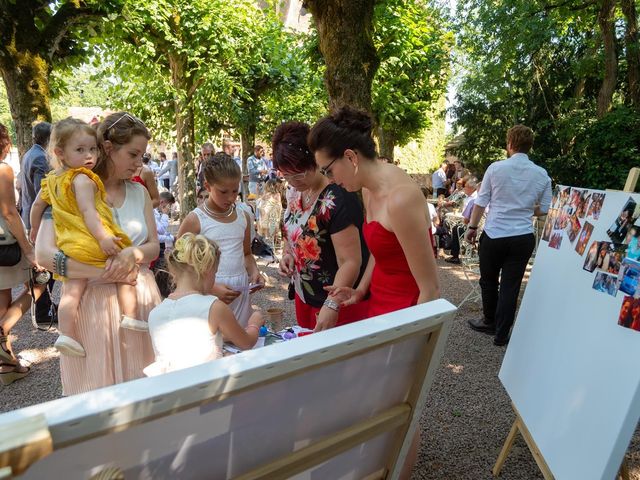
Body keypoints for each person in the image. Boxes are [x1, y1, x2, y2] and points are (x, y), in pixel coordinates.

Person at [308, 106, 440, 480]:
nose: (328, 179)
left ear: (350, 157)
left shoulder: (400, 198)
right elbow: (379, 252)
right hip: (380, 303)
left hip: (405, 311)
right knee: (373, 404)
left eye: (327, 169)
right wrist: (359, 290)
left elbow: (430, 288)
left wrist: (411, 344)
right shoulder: (365, 187)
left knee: (399, 409)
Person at [35, 111, 161, 395]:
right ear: (108, 148)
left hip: (138, 300)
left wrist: (133, 255)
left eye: (142, 156)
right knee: (96, 394)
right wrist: (106, 273)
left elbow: (154, 244)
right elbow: (44, 255)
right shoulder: (69, 188)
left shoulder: (139, 193)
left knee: (144, 393)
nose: (139, 163)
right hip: (91, 304)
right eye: (133, 154)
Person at [273, 121, 369, 331]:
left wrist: (331, 304)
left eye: (299, 173)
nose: (293, 181)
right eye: (286, 175)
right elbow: (292, 234)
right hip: (304, 296)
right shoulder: (294, 193)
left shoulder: (338, 197)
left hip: (338, 302)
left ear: (315, 161)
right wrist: (288, 255)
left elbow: (351, 261)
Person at [465, 125, 551, 346]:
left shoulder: (495, 169)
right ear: (529, 146)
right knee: (511, 286)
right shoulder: (542, 174)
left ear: (510, 144)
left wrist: (472, 228)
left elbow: (481, 202)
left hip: (495, 234)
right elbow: (544, 208)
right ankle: (502, 334)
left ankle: (489, 320)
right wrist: (522, 208)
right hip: (522, 236)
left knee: (488, 280)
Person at [145, 233, 264, 376]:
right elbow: (246, 342)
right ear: (207, 271)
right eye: (215, 273)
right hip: (206, 387)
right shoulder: (214, 307)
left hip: (170, 389)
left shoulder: (155, 313)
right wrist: (254, 323)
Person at [177, 152, 264, 327]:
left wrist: (254, 272)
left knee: (240, 341)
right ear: (207, 186)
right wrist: (210, 287)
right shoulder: (195, 220)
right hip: (207, 293)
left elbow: (246, 254)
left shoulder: (243, 216)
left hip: (239, 292)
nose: (231, 198)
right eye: (223, 192)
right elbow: (180, 264)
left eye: (235, 191)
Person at [0, 123, 45, 385]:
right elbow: (8, 212)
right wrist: (28, 249)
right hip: (5, 244)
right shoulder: (3, 170)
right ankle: (2, 335)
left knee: (2, 298)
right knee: (40, 281)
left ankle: (7, 364)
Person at [19, 121, 55, 324]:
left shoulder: (29, 154)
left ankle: (46, 308)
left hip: (29, 215)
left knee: (43, 268)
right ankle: (43, 311)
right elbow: (43, 193)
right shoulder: (41, 158)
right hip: (39, 220)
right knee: (44, 268)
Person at [445, 178, 479, 264]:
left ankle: (455, 256)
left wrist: (464, 222)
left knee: (456, 229)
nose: (464, 188)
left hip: (472, 227)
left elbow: (466, 219)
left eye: (466, 187)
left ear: (472, 188)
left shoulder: (473, 200)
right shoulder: (470, 197)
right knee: (454, 226)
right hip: (481, 227)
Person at [256, 179, 282, 250]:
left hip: (265, 221)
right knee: (270, 238)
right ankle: (271, 253)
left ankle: (268, 254)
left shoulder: (265, 195)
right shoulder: (277, 195)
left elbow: (259, 206)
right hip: (273, 220)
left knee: (266, 238)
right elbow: (279, 208)